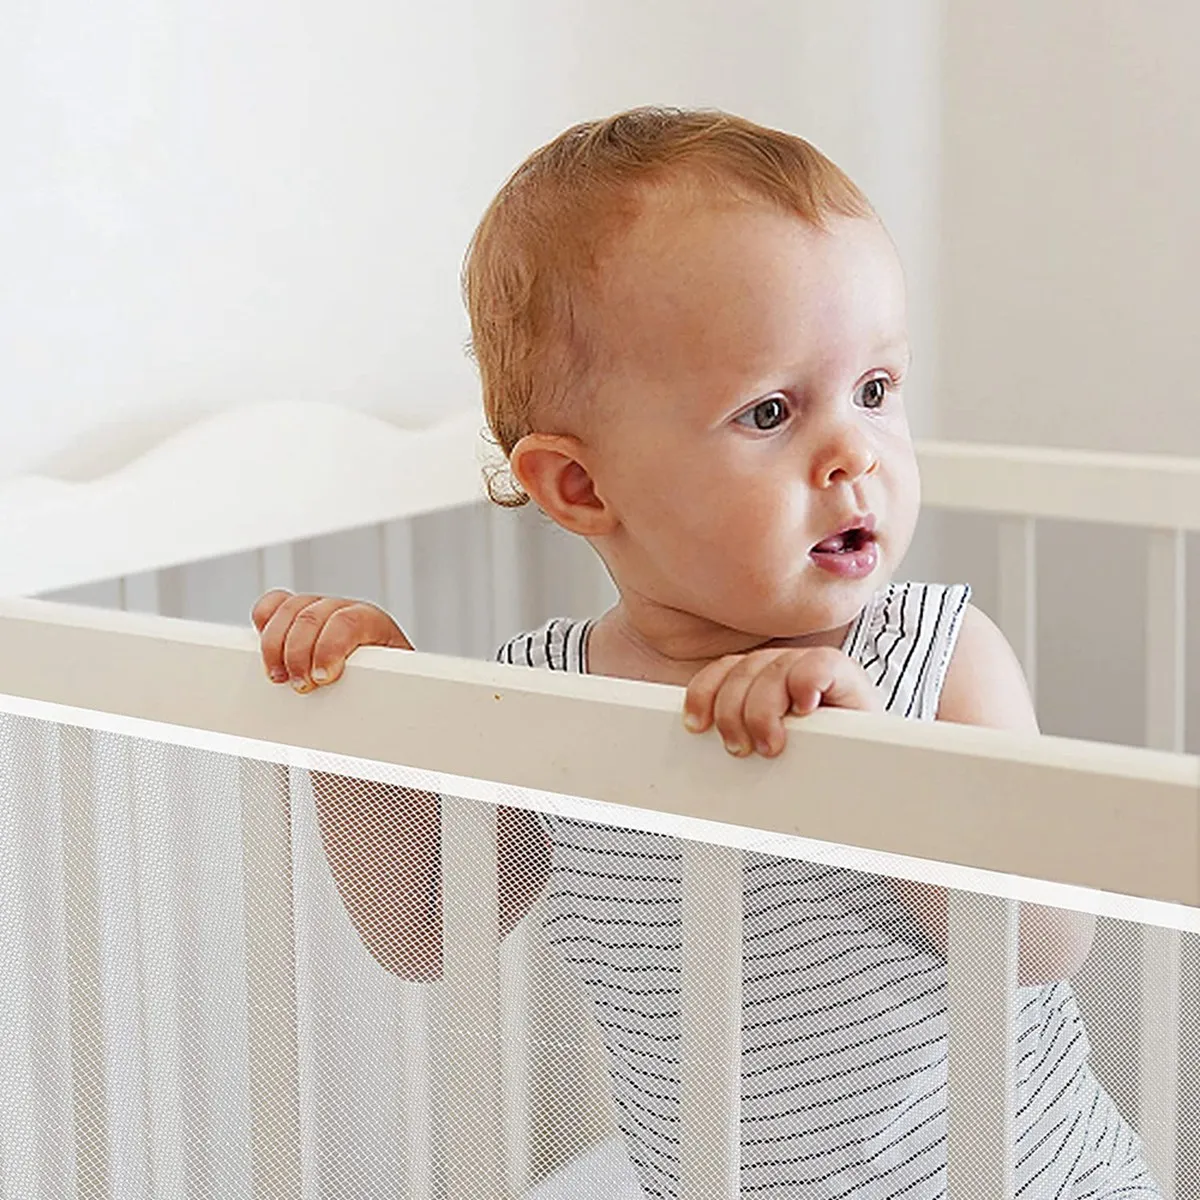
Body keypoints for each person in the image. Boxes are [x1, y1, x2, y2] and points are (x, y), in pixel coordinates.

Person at [252, 108, 1158, 1198]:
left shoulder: (937, 656)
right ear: (582, 487)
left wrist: (870, 761)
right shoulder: (552, 700)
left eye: (875, 391)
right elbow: (427, 930)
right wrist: (366, 721)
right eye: (771, 410)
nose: (853, 452)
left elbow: (1043, 949)